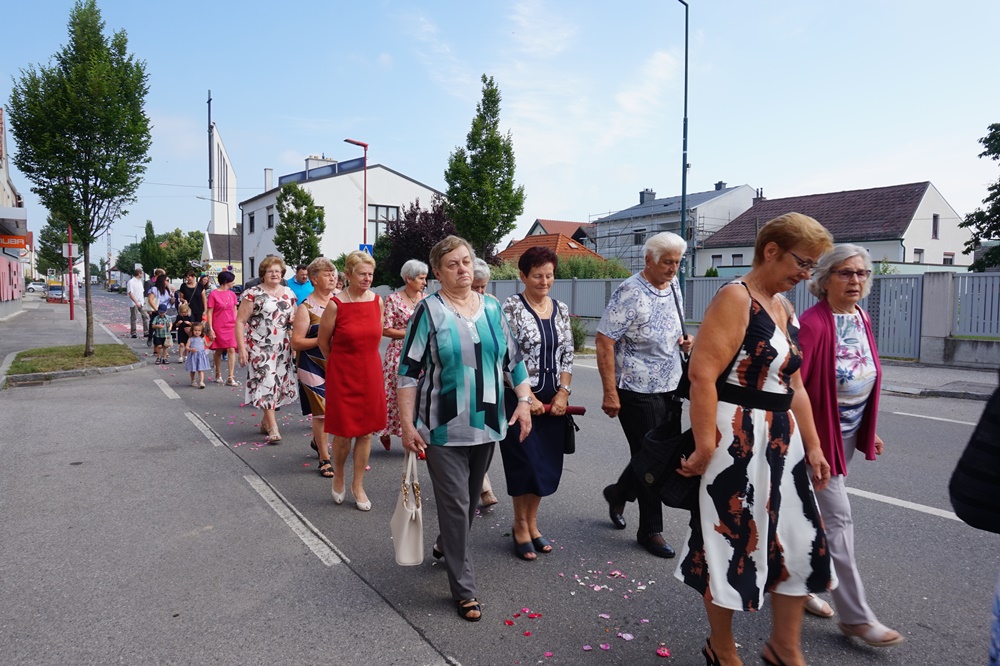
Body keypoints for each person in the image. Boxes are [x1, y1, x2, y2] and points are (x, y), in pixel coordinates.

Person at [675, 212, 835, 666]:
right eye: (802, 263)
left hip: (783, 440)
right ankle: (722, 647)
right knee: (732, 541)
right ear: (771, 250)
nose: (807, 274)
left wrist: (815, 445)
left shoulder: (784, 307)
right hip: (738, 438)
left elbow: (795, 385)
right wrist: (705, 445)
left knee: (798, 537)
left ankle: (784, 646)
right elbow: (702, 375)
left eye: (812, 266)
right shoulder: (736, 297)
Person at [397, 235, 533, 623]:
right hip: (441, 427)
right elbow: (407, 372)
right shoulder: (429, 311)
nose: (462, 269)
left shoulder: (492, 308)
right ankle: (464, 588)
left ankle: (446, 543)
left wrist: (524, 401)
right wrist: (407, 425)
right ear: (437, 272)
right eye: (453, 264)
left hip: (487, 424)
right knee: (457, 506)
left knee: (469, 503)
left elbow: (513, 361)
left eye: (467, 261)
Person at [797, 244, 904, 647]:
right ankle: (856, 618)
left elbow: (862, 375)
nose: (855, 280)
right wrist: (812, 446)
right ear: (825, 280)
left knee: (809, 518)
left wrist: (865, 429)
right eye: (845, 272)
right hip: (814, 441)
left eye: (861, 273)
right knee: (838, 521)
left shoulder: (860, 317)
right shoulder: (813, 325)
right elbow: (795, 391)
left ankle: (796, 585)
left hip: (844, 436)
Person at [598, 231, 693, 559]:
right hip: (636, 389)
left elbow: (673, 326)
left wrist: (685, 341)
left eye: (677, 262)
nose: (673, 268)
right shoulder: (630, 292)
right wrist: (610, 392)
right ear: (648, 260)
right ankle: (650, 530)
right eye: (667, 262)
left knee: (653, 453)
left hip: (671, 385)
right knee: (654, 458)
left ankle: (619, 492)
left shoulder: (673, 284)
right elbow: (604, 340)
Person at [500, 246, 574, 561]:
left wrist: (563, 392)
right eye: (537, 276)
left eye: (549, 275)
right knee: (525, 464)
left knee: (544, 466)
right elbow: (506, 356)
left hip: (553, 403)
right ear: (523, 276)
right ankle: (519, 525)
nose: (544, 282)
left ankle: (532, 523)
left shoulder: (561, 309)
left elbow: (567, 353)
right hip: (519, 401)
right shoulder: (511, 307)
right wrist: (525, 395)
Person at [317, 250, 386, 511]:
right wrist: (340, 364)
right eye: (362, 274)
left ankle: (358, 485)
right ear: (348, 274)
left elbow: (376, 337)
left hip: (370, 373)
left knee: (365, 433)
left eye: (371, 274)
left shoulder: (377, 301)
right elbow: (324, 343)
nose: (367, 278)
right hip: (343, 374)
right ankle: (339, 476)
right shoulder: (336, 305)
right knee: (344, 433)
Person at [236, 256, 299, 443]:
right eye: (270, 271)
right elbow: (240, 321)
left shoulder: (289, 293)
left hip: (282, 347)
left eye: (278, 271)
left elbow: (294, 318)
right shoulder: (253, 293)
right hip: (259, 346)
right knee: (267, 382)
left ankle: (265, 421)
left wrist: (295, 339)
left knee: (277, 385)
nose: (274, 274)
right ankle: (273, 427)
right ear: (263, 274)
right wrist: (242, 348)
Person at [291, 258, 339, 477]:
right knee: (321, 412)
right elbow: (296, 342)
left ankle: (316, 441)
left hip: (337, 363)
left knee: (334, 411)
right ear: (314, 279)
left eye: (333, 273)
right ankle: (324, 458)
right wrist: (322, 339)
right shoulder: (306, 308)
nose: (332, 277)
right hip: (311, 364)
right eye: (326, 274)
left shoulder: (341, 301)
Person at [378, 259, 428, 451]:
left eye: (425, 278)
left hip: (423, 353)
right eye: (421, 278)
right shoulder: (393, 299)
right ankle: (386, 430)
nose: (424, 282)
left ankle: (419, 439)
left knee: (420, 396)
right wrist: (410, 333)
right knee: (394, 395)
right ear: (409, 279)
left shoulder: (427, 299)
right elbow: (385, 329)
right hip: (399, 353)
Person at [472, 257, 499, 508]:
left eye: (483, 286)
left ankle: (478, 481)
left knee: (484, 431)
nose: (480, 291)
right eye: (475, 286)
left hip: (488, 376)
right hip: (462, 377)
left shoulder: (493, 304)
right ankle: (483, 487)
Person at [206, 270, 240, 386]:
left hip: (231, 325)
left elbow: (235, 310)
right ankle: (218, 373)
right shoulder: (213, 294)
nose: (233, 283)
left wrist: (238, 324)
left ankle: (230, 376)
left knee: (231, 349)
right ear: (226, 281)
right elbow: (209, 312)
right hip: (218, 325)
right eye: (232, 281)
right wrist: (210, 328)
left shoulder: (232, 294)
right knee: (219, 349)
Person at [146, 271, 172, 351]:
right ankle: (150, 337)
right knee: (154, 324)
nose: (168, 282)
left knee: (164, 326)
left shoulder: (168, 290)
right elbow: (150, 299)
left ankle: (162, 345)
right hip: (157, 309)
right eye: (167, 280)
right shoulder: (155, 289)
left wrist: (172, 299)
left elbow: (170, 300)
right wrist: (156, 309)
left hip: (165, 309)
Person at [185, 321, 212, 388]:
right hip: (193, 356)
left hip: (201, 356)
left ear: (201, 331)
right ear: (192, 331)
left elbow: (207, 345)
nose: (197, 332)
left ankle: (201, 382)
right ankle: (193, 380)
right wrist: (191, 349)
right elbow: (186, 347)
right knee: (193, 369)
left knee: (201, 369)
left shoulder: (202, 338)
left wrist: (212, 341)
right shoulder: (191, 339)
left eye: (199, 330)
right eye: (195, 330)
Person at [126, 269, 147, 339]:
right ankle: (133, 332)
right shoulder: (131, 282)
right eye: (142, 273)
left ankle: (146, 332)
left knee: (145, 316)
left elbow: (142, 292)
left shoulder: (140, 282)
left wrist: (143, 300)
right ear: (139, 273)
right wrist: (136, 302)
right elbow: (130, 293)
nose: (142, 275)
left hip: (141, 302)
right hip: (134, 303)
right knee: (134, 317)